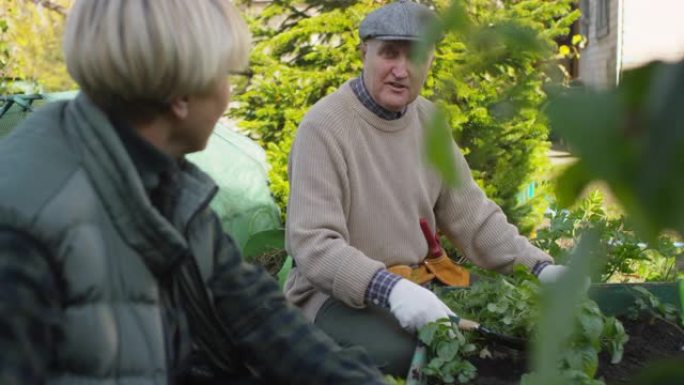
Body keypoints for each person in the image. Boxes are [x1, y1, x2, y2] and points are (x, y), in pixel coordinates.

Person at [0, 1, 387, 384]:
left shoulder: (166, 185)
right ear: (181, 96)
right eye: (228, 76)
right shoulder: (26, 222)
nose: (227, 96)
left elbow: (259, 319)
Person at [284, 0, 568, 377]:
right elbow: (313, 246)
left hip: (418, 287)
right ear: (363, 52)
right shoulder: (324, 127)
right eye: (389, 53)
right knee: (431, 357)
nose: (402, 71)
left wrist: (540, 267)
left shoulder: (430, 121)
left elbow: (473, 216)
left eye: (416, 56)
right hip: (334, 299)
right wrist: (390, 290)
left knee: (507, 333)